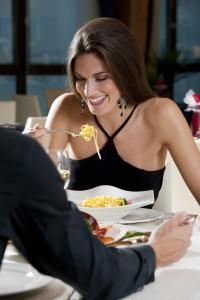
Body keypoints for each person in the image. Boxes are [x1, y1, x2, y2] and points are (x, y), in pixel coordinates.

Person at [0, 127, 193, 299]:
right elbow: (95, 274)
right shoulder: (17, 153)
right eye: (79, 83)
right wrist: (156, 252)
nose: (87, 92)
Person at [27, 17, 200, 206]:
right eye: (80, 78)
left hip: (142, 236)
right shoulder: (66, 108)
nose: (88, 92)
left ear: (125, 72)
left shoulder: (161, 114)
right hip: (75, 234)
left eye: (101, 78)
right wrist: (31, 156)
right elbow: (40, 197)